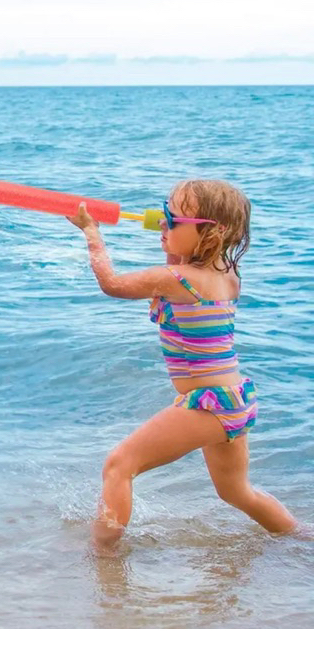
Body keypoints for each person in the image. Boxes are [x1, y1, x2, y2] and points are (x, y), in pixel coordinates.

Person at [67, 179, 298, 549]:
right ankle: (300, 539)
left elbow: (111, 283)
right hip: (234, 399)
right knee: (239, 494)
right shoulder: (225, 274)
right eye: (163, 214)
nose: (162, 224)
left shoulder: (175, 279)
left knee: (119, 465)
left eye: (172, 220)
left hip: (208, 403)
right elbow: (181, 268)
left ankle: (104, 563)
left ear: (210, 233)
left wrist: (91, 232)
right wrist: (174, 236)